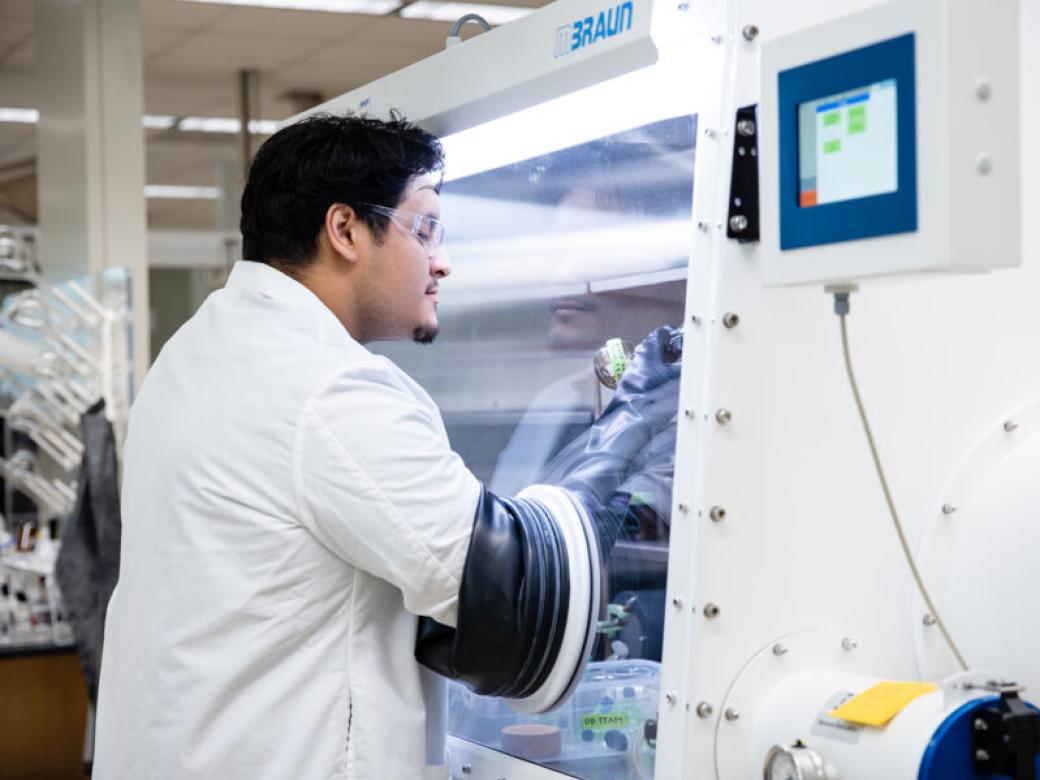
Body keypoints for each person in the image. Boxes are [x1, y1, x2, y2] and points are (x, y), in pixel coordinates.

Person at [93, 113, 679, 779]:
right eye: (424, 228)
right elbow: (513, 596)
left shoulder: (195, 354)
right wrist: (627, 423)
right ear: (344, 230)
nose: (444, 262)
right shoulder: (327, 388)